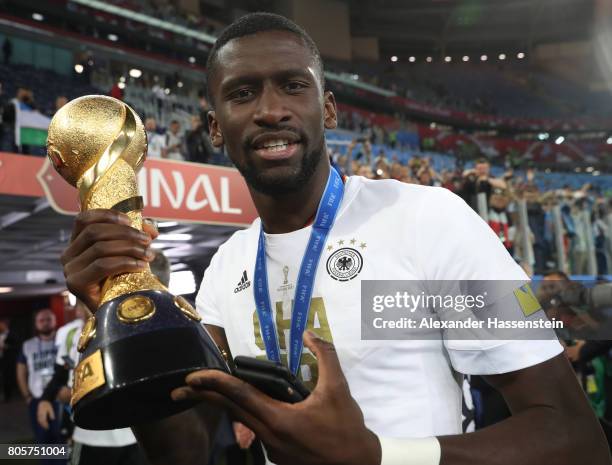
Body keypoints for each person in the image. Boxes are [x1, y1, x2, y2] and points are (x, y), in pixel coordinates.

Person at [60, 12, 609, 465]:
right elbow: (187, 449)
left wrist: (379, 454)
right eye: (243, 93)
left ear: (326, 109)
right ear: (214, 129)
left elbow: (573, 438)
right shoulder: (228, 268)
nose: (271, 109)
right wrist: (115, 309)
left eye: (293, 85)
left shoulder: (427, 220)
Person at [37, 302, 147, 465]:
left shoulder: (127, 327)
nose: (90, 308)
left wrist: (78, 394)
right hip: (88, 434)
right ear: (78, 309)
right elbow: (60, 374)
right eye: (84, 303)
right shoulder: (71, 334)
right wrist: (45, 399)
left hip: (131, 433)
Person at [16, 309, 65, 464]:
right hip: (37, 400)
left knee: (62, 438)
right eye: (41, 320)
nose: (45, 322)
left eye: (48, 319)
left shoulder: (63, 341)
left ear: (55, 321)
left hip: (61, 399)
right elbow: (21, 371)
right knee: (43, 441)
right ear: (36, 324)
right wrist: (27, 397)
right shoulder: (28, 345)